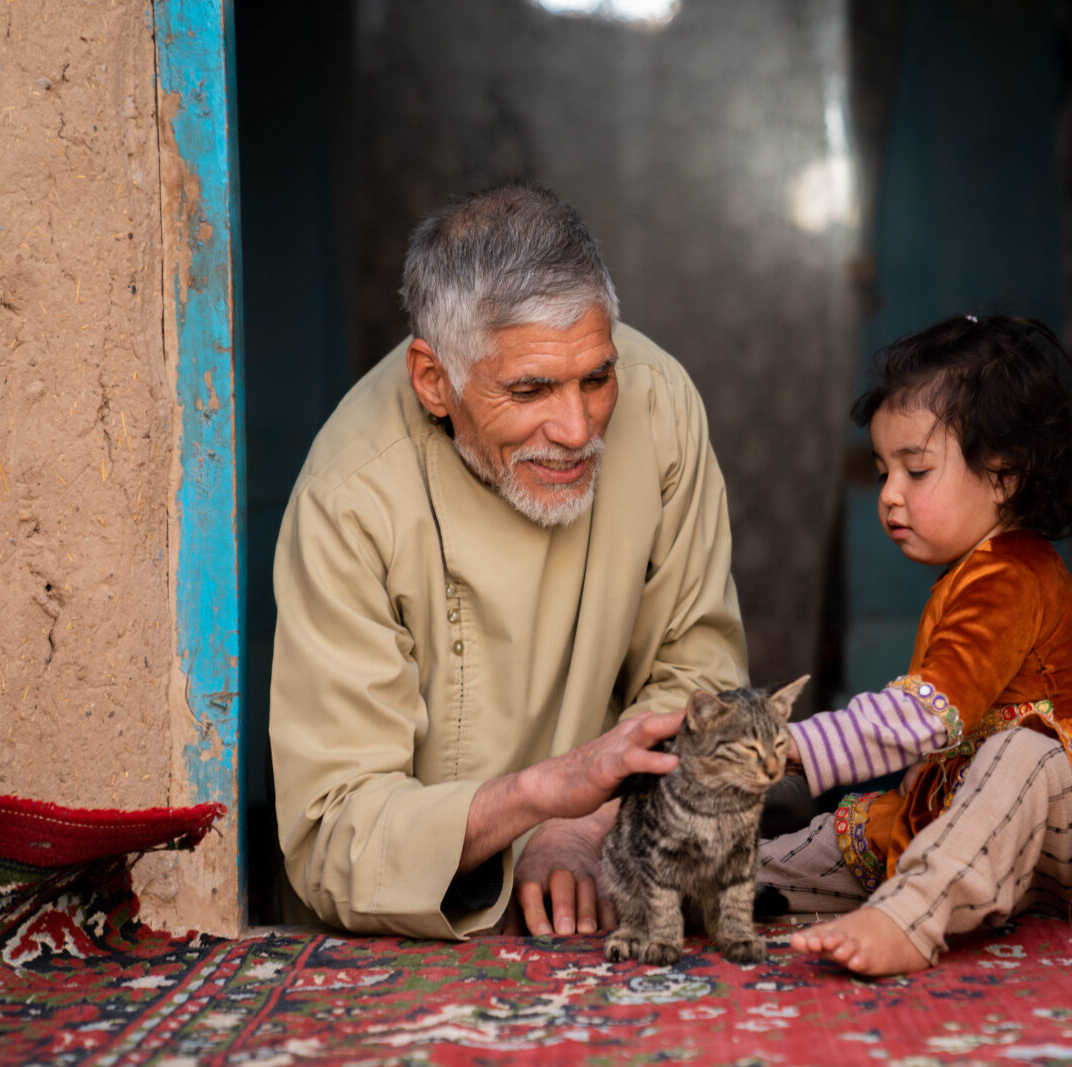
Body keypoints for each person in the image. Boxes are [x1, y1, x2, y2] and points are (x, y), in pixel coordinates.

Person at [270, 182, 748, 940]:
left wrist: (587, 822)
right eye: (529, 389)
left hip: (612, 882)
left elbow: (700, 677)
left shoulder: (660, 408)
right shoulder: (351, 493)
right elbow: (335, 835)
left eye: (596, 377)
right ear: (435, 381)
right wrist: (541, 799)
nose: (575, 426)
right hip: (404, 946)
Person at [759, 314, 1072, 975]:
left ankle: (908, 917)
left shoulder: (1013, 573)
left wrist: (790, 749)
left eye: (916, 471)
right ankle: (712, 880)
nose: (888, 495)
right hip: (1005, 834)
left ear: (1004, 475)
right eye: (882, 470)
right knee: (868, 829)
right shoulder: (965, 574)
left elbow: (925, 716)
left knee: (1022, 755)